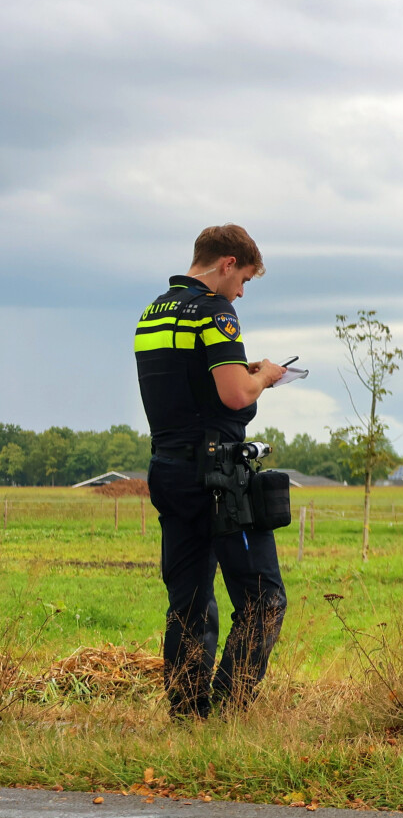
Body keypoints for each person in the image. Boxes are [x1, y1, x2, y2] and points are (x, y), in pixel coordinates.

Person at [135, 224, 289, 717]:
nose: (241, 291)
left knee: (188, 601)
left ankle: (187, 712)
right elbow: (233, 394)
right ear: (226, 264)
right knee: (264, 601)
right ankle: (226, 711)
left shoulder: (152, 312)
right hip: (219, 478)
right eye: (243, 278)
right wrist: (264, 374)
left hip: (167, 469)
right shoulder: (215, 312)